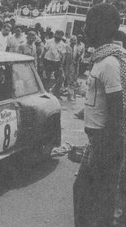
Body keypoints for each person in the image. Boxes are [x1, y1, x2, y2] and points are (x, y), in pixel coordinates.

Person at [73, 3, 125, 227]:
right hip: (96, 141)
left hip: (104, 143)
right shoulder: (101, 59)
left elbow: (116, 113)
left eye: (88, 25)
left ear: (104, 28)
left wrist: (103, 153)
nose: (84, 31)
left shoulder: (110, 64)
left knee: (94, 199)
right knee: (86, 194)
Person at [42, 30, 66, 97]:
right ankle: (45, 92)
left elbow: (63, 56)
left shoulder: (63, 45)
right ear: (54, 35)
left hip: (56, 63)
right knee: (47, 78)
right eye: (56, 36)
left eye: (59, 37)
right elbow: (44, 52)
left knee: (61, 78)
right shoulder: (49, 41)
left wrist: (61, 65)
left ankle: (55, 92)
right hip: (48, 61)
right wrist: (42, 62)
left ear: (61, 37)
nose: (57, 38)